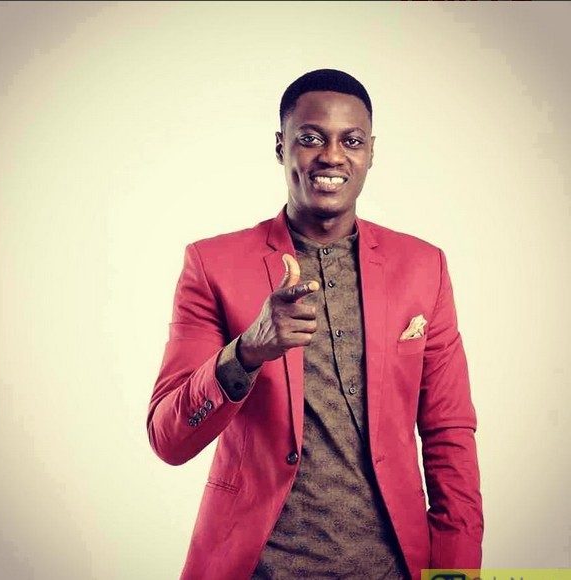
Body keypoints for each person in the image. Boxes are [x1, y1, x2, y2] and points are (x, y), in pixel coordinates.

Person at [146, 69, 483, 580]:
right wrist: (247, 351)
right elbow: (168, 439)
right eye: (310, 138)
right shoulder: (212, 265)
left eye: (352, 141)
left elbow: (449, 433)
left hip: (392, 567)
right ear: (281, 147)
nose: (332, 156)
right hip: (258, 568)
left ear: (371, 152)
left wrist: (457, 573)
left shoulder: (423, 266)